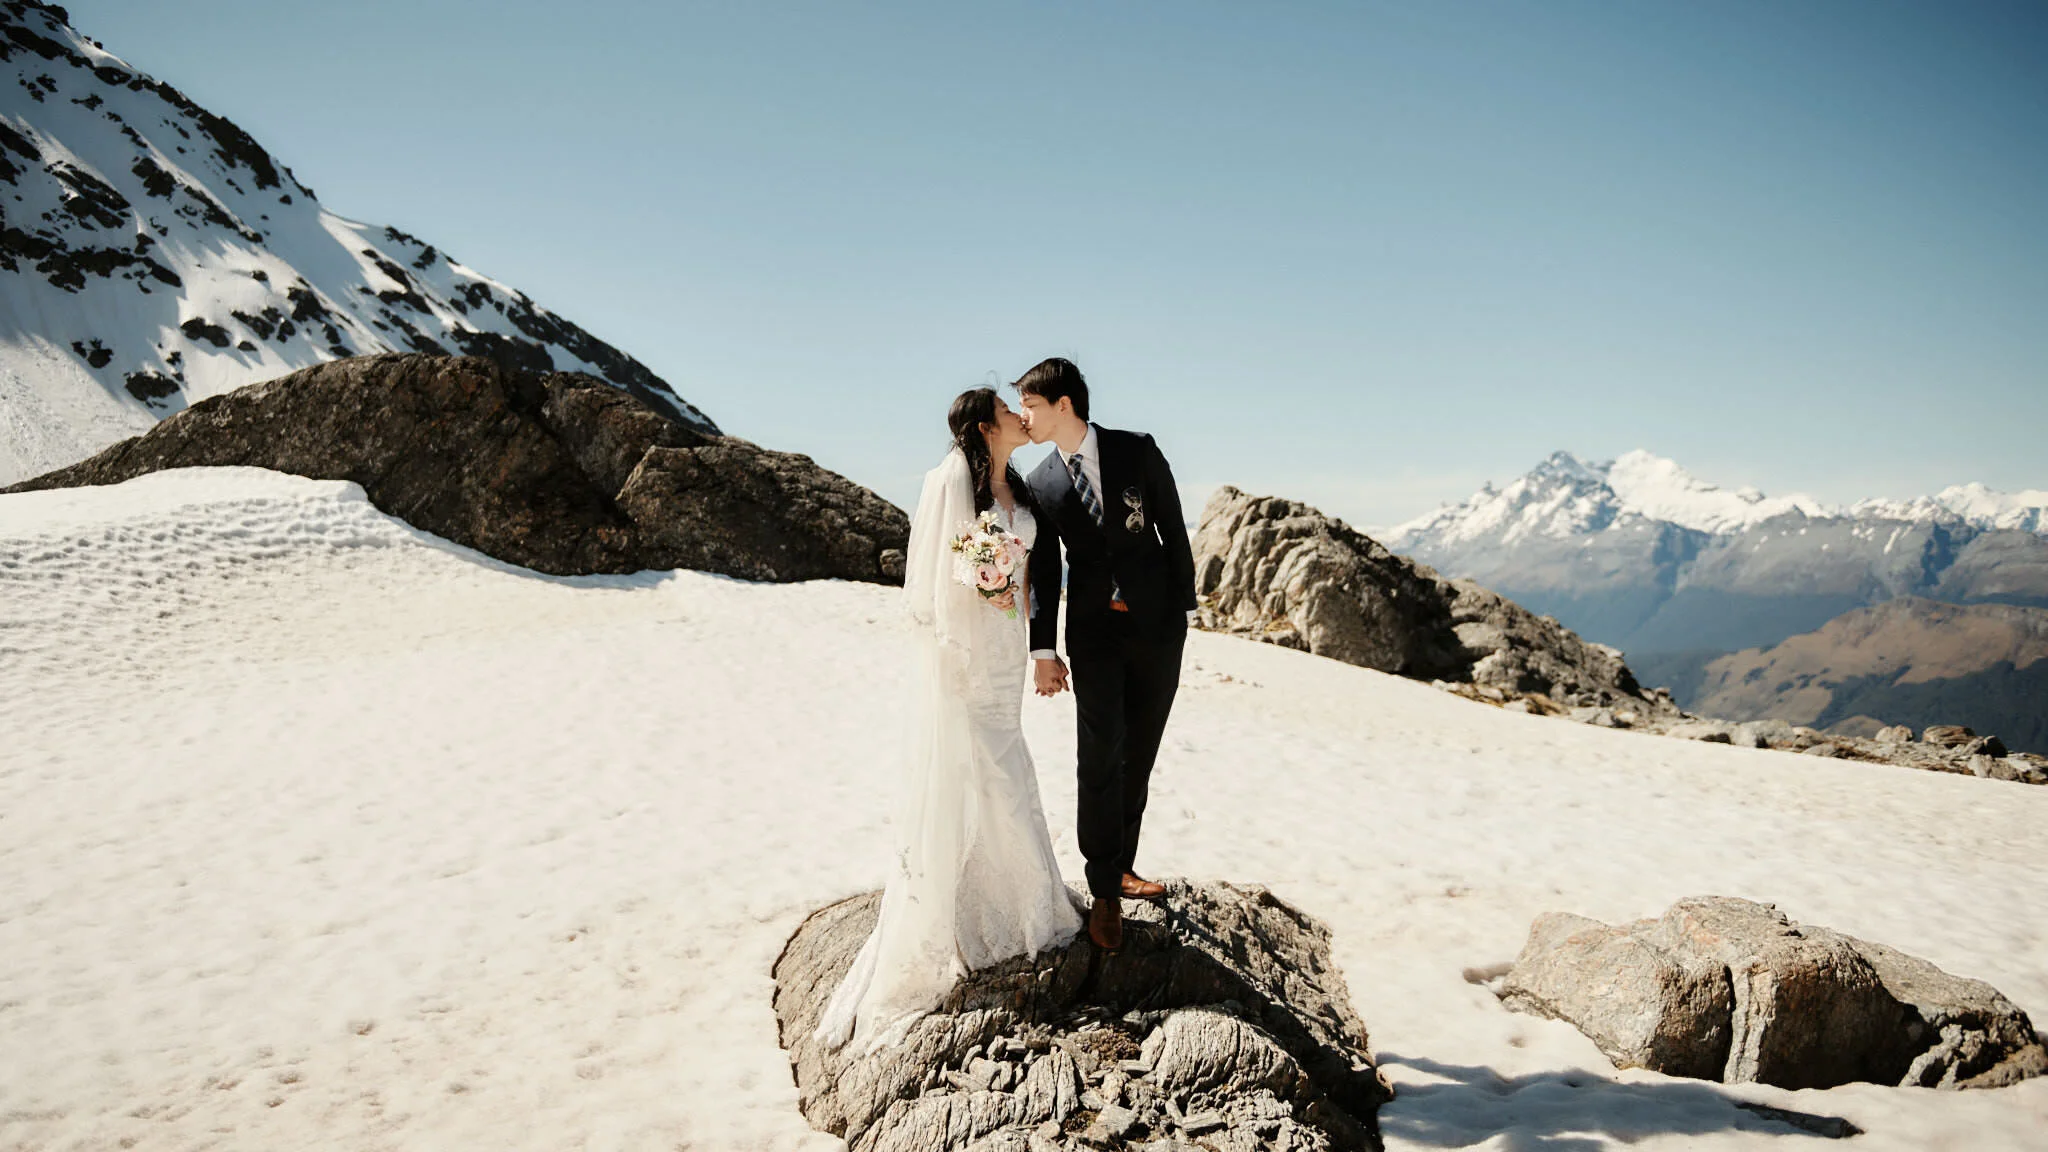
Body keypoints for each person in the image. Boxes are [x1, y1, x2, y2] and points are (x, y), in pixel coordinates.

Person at [813, 387, 1084, 1053]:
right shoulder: (958, 479)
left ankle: (1006, 895)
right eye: (1010, 409)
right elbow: (973, 579)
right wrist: (1008, 592)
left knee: (1001, 765)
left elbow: (1012, 570)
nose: (1024, 416)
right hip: (974, 652)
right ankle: (988, 914)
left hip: (1004, 647)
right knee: (987, 769)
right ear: (987, 424)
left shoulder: (1009, 482)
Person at [1014, 357, 1197, 952]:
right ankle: (1103, 893)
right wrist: (1043, 648)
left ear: (1063, 404)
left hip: (1157, 630)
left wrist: (1181, 612)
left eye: (1031, 406)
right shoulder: (1040, 482)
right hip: (1092, 637)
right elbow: (1044, 571)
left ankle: (1123, 865)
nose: (1024, 417)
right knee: (1099, 757)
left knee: (1138, 754)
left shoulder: (1135, 450)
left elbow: (1171, 527)